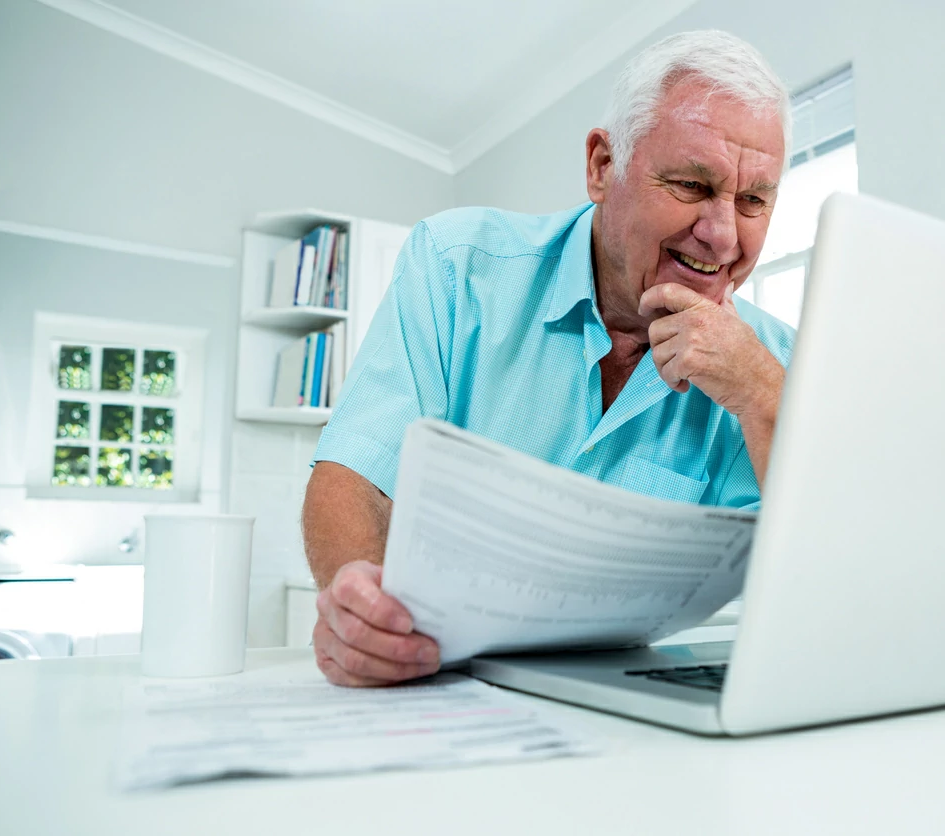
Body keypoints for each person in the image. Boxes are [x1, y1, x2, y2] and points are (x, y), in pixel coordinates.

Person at [303, 30, 796, 687]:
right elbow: (355, 474)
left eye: (754, 200)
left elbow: (832, 577)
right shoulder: (457, 267)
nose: (725, 234)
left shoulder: (776, 367)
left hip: (638, 713)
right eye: (690, 185)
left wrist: (763, 397)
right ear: (601, 167)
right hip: (437, 683)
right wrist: (362, 613)